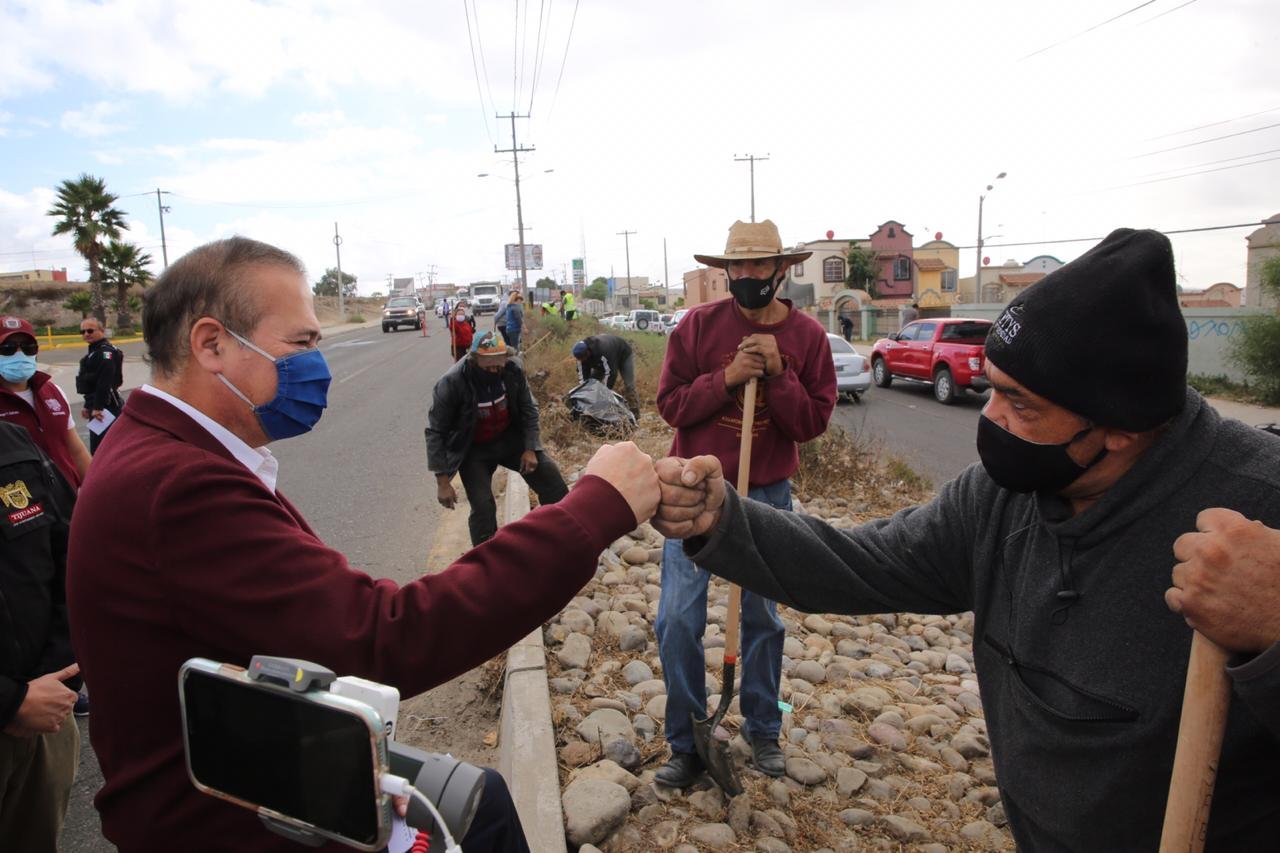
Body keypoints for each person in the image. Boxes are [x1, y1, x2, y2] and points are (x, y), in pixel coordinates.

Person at [650, 228, 1280, 849]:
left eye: (1020, 404)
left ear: (1119, 425)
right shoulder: (1000, 497)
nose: (990, 419)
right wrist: (720, 521)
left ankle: (765, 727)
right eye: (993, 388)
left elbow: (808, 417)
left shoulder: (1259, 508)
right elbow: (867, 563)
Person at [65, 236, 662, 853]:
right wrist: (594, 509)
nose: (314, 365)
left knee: (480, 804)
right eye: (300, 344)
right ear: (212, 344)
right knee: (478, 817)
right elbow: (382, 636)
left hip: (252, 761)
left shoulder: (163, 451)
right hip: (225, 814)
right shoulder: (177, 486)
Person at [652, 219, 836, 787]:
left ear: (782, 270)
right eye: (739, 266)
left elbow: (811, 424)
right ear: (725, 270)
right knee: (677, 619)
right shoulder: (698, 327)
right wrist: (729, 376)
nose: (748, 276)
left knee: (761, 617)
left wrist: (780, 375)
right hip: (693, 491)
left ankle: (763, 728)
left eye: (760, 266)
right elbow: (671, 407)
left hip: (766, 496)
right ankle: (687, 741)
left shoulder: (806, 338)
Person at [0, 421, 81, 853]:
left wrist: (60, 678)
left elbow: (71, 554)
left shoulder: (13, 445)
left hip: (46, 711)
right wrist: (10, 702)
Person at [427, 330, 569, 547]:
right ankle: (486, 561)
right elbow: (436, 432)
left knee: (551, 478)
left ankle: (559, 535)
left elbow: (528, 409)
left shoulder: (512, 369)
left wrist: (530, 447)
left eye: (498, 365)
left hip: (508, 439)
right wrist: (442, 481)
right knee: (483, 508)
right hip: (474, 450)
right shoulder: (451, 383)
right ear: (473, 360)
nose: (494, 371)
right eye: (488, 366)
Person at [0, 316, 91, 489]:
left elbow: (76, 450)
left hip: (67, 501)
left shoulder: (53, 392)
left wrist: (97, 492)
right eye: (8, 348)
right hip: (21, 509)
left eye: (28, 347)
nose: (20, 354)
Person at [75, 317, 125, 453]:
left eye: (90, 330)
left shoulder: (105, 353)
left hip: (106, 406)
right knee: (99, 445)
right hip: (98, 404)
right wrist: (88, 405)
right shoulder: (94, 352)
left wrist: (98, 407)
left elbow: (105, 381)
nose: (86, 334)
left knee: (102, 449)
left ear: (102, 331)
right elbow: (92, 384)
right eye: (83, 331)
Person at [572, 333, 640, 417]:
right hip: (602, 362)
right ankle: (592, 411)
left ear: (588, 352)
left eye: (584, 358)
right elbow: (583, 380)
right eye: (580, 359)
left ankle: (635, 415)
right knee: (591, 383)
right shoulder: (581, 357)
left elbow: (611, 374)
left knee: (629, 385)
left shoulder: (602, 351)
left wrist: (604, 395)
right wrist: (585, 394)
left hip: (623, 354)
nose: (583, 360)